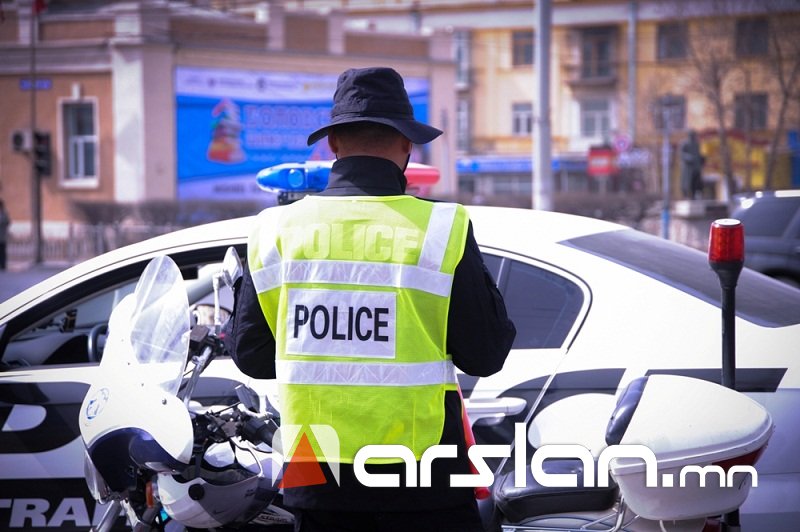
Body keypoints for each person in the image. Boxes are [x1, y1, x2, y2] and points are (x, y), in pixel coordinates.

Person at [224, 67, 516, 532]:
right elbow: (486, 354)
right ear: (407, 145)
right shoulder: (441, 229)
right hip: (425, 482)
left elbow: (253, 357)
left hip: (318, 484)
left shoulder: (274, 231)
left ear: (333, 144)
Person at [680, 130, 705, 199]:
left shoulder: (697, 144)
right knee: (687, 182)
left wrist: (702, 159)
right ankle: (687, 195)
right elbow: (682, 154)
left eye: (694, 135)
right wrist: (689, 158)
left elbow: (700, 154)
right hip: (688, 168)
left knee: (697, 183)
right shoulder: (685, 144)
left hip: (696, 167)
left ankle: (695, 195)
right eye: (692, 135)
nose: (693, 136)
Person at [0, 199, 10, 270]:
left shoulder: (4, 214)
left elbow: (7, 222)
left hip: (2, 236)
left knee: (2, 251)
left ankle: (3, 265)